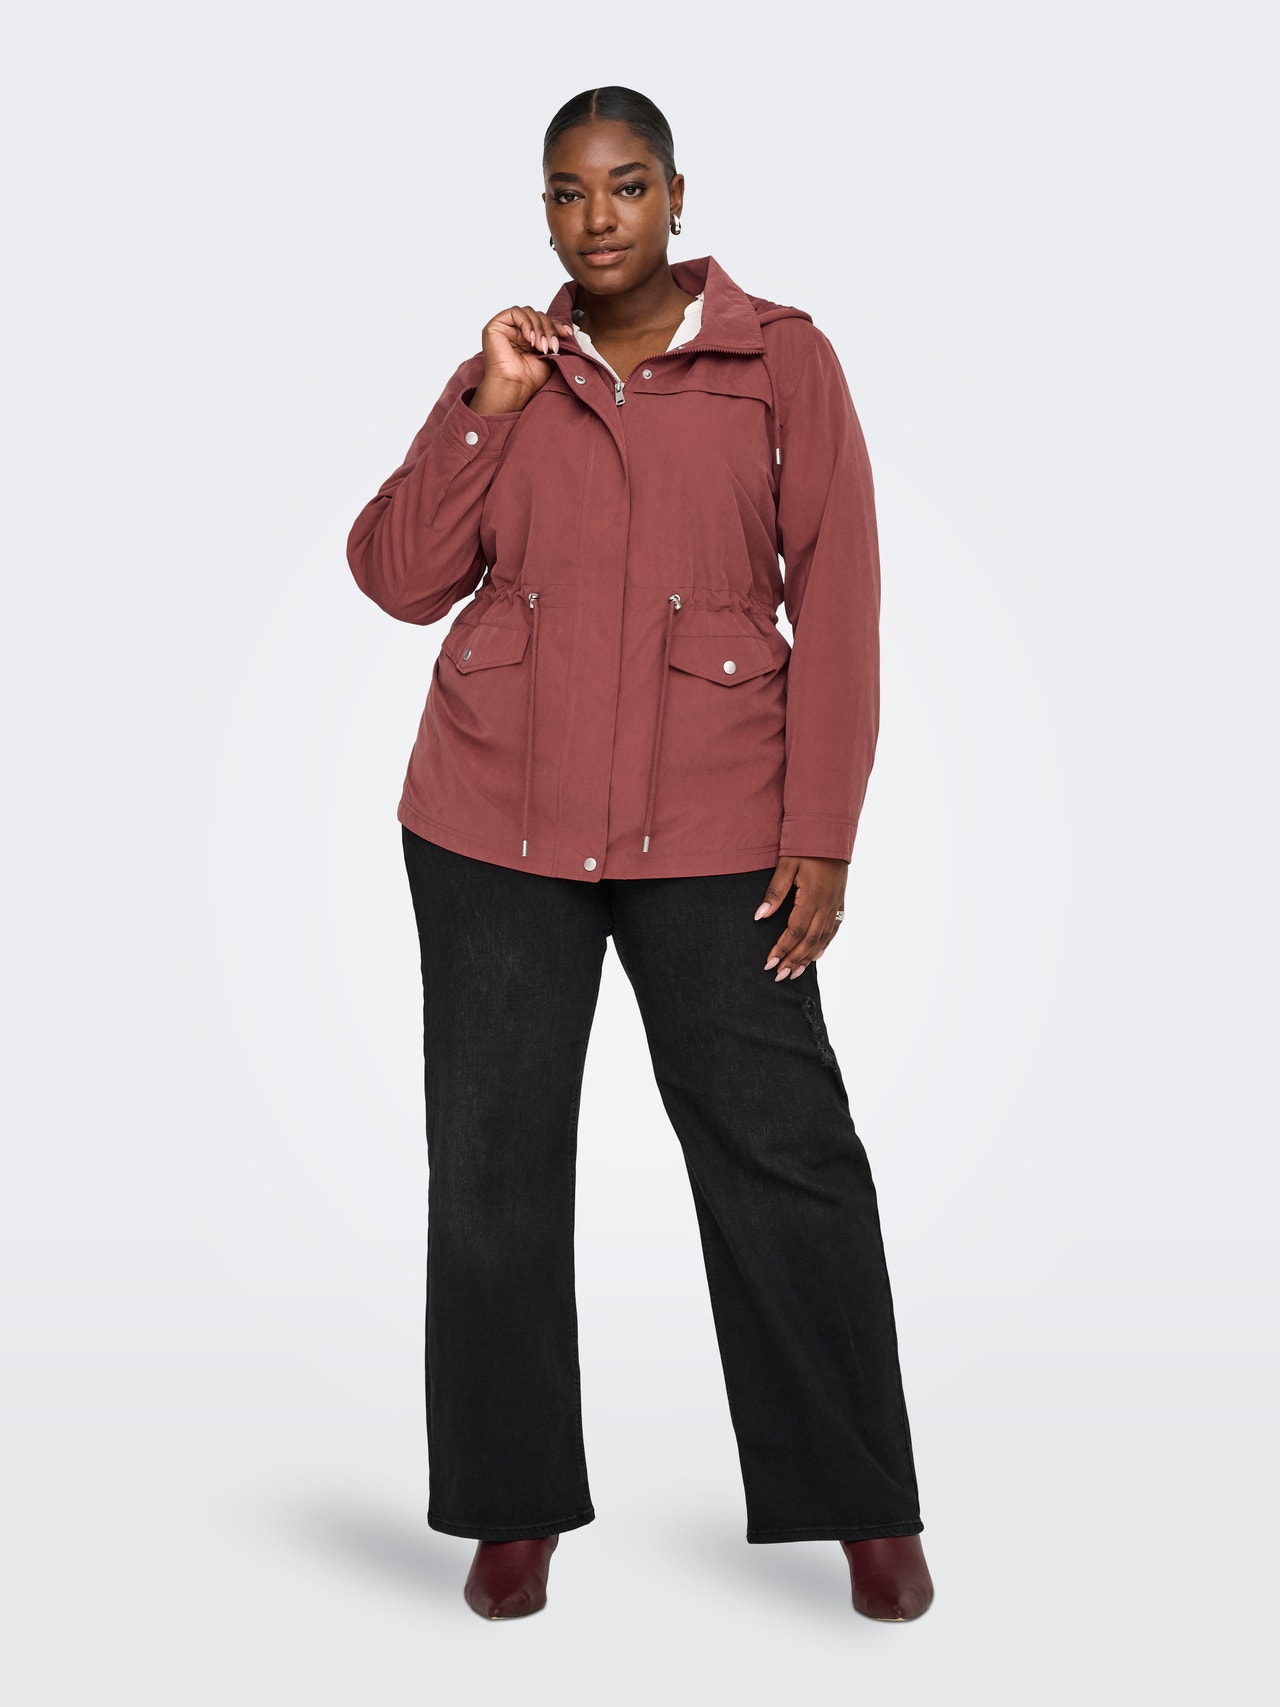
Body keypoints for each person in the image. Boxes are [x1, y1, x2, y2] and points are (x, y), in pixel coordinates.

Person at [346, 85, 934, 1624]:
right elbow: (398, 576)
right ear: (543, 212)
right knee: (493, 1173)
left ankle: (861, 1503)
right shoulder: (511, 372)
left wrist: (824, 832)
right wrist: (481, 406)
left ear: (677, 194)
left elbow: (841, 598)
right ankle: (510, 1509)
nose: (596, 218)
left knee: (787, 1156)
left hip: (719, 825)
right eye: (566, 192)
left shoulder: (781, 362)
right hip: (494, 823)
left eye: (624, 186)